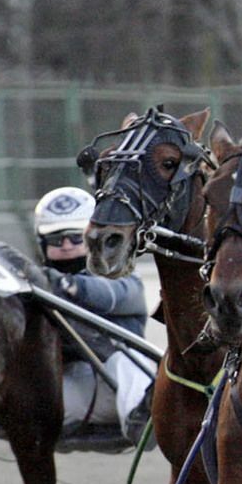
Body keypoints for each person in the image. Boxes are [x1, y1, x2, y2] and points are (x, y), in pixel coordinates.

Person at [33, 186, 153, 441]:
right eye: (56, 239)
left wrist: (68, 286)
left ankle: (142, 420)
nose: (66, 246)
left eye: (75, 238)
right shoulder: (38, 284)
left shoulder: (123, 275)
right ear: (42, 243)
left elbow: (110, 297)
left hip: (117, 388)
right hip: (68, 392)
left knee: (129, 358)